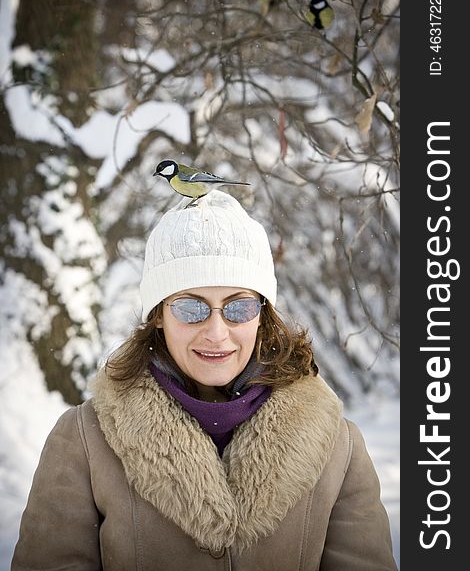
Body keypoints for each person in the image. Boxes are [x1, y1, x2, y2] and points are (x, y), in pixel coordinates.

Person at [12, 190, 398, 570]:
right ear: (159, 315)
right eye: (191, 306)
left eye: (239, 306)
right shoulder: (84, 440)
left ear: (262, 314)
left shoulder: (337, 448)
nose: (216, 332)